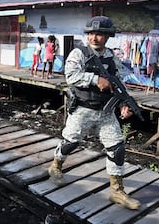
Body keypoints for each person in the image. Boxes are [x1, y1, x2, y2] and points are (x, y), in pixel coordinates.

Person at [47, 16, 141, 210]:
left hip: (106, 112)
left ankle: (117, 190)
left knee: (117, 147)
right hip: (83, 109)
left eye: (99, 34)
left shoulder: (112, 57)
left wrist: (125, 103)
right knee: (70, 142)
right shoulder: (79, 53)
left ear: (107, 36)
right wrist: (95, 79)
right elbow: (71, 76)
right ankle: (55, 166)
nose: (94, 37)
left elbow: (118, 81)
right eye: (91, 33)